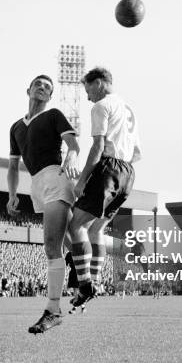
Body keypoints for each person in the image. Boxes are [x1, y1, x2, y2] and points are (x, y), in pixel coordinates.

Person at [8, 74, 80, 333]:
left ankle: (53, 309)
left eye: (47, 87)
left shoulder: (54, 115)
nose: (42, 88)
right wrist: (12, 193)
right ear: (28, 90)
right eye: (38, 84)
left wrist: (71, 157)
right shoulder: (16, 127)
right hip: (36, 184)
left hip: (55, 177)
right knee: (72, 238)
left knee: (52, 246)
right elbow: (13, 166)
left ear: (50, 97)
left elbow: (73, 144)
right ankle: (81, 270)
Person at [68, 67, 142, 308]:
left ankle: (86, 284)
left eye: (88, 90)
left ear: (98, 83)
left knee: (76, 225)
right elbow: (137, 153)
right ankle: (96, 281)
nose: (88, 96)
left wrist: (82, 181)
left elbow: (97, 147)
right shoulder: (128, 109)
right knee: (97, 229)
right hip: (128, 174)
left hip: (109, 168)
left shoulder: (101, 106)